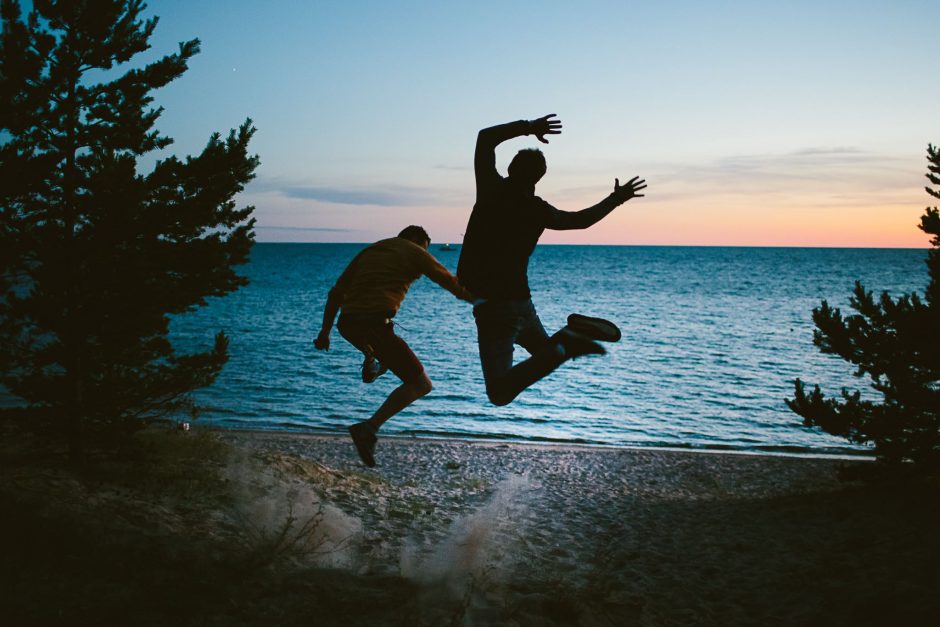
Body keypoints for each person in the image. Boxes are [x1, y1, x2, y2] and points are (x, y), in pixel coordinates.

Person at [457, 114, 646, 406]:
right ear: (539, 178)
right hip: (521, 305)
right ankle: (568, 338)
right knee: (546, 355)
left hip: (494, 309)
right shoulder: (538, 211)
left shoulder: (492, 190)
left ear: (509, 169)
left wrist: (529, 128)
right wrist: (615, 199)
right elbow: (581, 221)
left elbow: (485, 137)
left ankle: (569, 338)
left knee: (499, 393)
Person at [314, 225, 474, 467]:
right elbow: (448, 281)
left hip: (347, 325)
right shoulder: (414, 250)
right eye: (425, 249)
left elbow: (336, 293)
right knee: (421, 384)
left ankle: (372, 361)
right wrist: (479, 300)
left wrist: (324, 332)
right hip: (374, 325)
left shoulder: (370, 251)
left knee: (385, 349)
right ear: (418, 241)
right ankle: (368, 428)